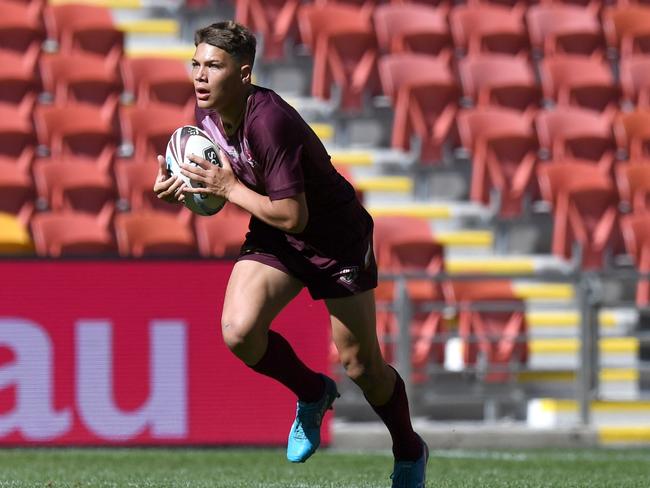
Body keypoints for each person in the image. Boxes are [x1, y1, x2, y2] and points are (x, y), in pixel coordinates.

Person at [153, 20, 429, 488]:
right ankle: (312, 391)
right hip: (276, 232)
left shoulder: (270, 121)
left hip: (334, 239)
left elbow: (293, 216)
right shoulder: (207, 120)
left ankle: (408, 448)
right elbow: (227, 199)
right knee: (239, 333)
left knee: (362, 366)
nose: (200, 76)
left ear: (243, 75)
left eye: (213, 66)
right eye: (196, 64)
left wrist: (229, 187)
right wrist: (187, 191)